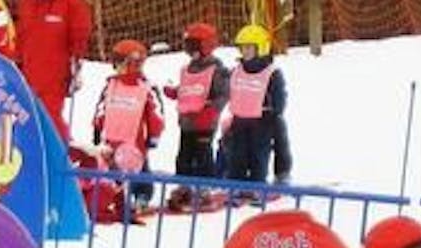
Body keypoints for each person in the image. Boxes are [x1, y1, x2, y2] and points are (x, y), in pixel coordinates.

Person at [163, 22, 230, 212]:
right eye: (188, 46)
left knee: (202, 155)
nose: (190, 51)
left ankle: (204, 189)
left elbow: (224, 93)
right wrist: (175, 92)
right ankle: (184, 186)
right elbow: (188, 89)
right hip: (186, 122)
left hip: (205, 122)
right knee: (183, 156)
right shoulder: (187, 69)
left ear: (206, 45)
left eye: (194, 46)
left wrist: (212, 110)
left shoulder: (217, 69)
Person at [89, 39, 164, 208]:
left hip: (135, 139)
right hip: (112, 137)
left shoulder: (145, 87)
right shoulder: (111, 84)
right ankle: (115, 196)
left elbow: (155, 113)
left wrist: (154, 135)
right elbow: (102, 107)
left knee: (139, 168)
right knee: (111, 168)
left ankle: (142, 194)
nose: (116, 67)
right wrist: (97, 126)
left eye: (120, 62)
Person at [219, 23, 286, 199]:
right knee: (237, 154)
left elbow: (279, 97)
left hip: (261, 121)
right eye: (243, 48)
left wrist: (274, 112)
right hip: (239, 119)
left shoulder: (272, 73)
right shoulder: (237, 70)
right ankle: (236, 185)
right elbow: (228, 90)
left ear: (260, 48)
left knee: (259, 154)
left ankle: (257, 185)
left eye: (249, 47)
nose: (245, 52)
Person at [15, 0, 92, 136]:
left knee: (49, 116)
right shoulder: (26, 4)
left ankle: (57, 151)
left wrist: (76, 64)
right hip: (28, 71)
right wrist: (17, 60)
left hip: (55, 74)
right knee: (26, 115)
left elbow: (80, 34)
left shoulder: (72, 4)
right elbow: (21, 33)